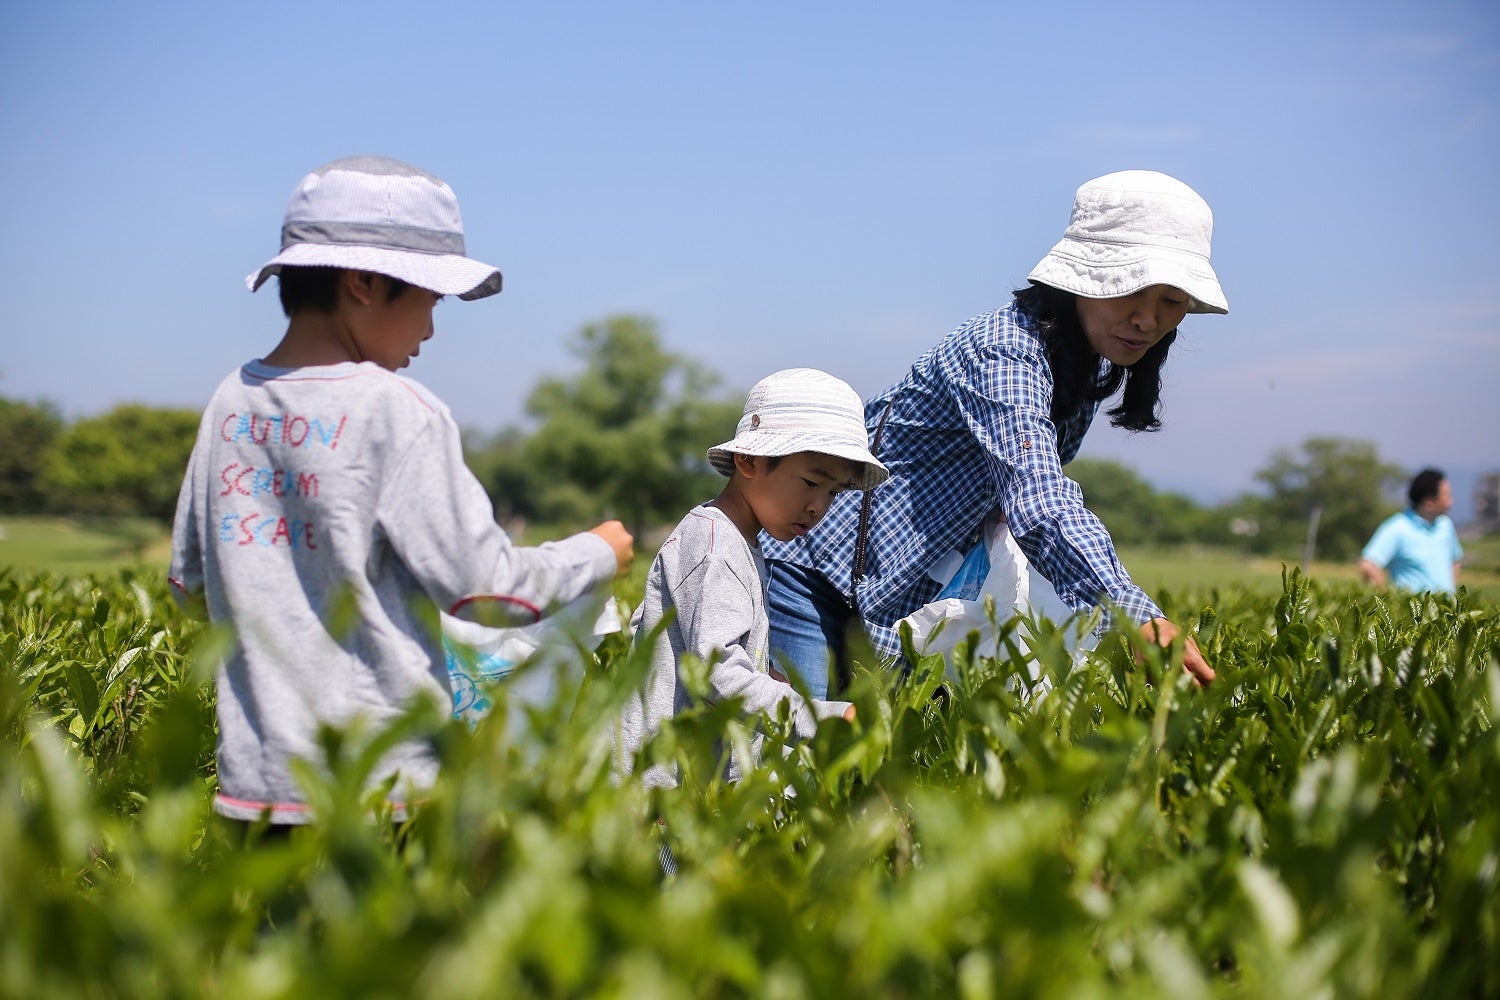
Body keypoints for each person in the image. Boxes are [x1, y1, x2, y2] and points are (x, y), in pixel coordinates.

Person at [169, 155, 634, 829]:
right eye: (429, 300)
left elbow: (189, 583)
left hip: (255, 786)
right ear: (363, 282)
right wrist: (594, 554)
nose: (431, 328)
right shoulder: (399, 412)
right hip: (383, 787)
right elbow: (487, 591)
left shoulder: (230, 403)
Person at [762, 170, 1229, 697]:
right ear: (1081, 281)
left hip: (905, 589)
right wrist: (1131, 612)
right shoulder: (1004, 351)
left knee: (885, 764)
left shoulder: (1079, 368)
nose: (1147, 318)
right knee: (793, 752)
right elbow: (1039, 499)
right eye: (1131, 290)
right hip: (819, 573)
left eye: (1171, 301)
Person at [616, 368, 889, 790]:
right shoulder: (713, 545)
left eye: (833, 492)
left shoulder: (735, 542)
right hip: (665, 796)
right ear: (748, 461)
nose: (819, 506)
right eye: (811, 482)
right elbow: (714, 674)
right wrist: (820, 716)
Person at [1359, 468, 1463, 595]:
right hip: (1414, 612)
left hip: (1445, 612)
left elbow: (1455, 563)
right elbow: (1368, 565)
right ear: (1429, 502)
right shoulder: (1397, 528)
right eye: (1446, 496)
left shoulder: (1445, 525)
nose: (1451, 501)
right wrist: (1385, 601)